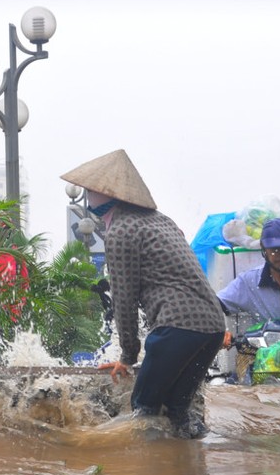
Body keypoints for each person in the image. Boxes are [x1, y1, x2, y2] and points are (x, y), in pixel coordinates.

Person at [60, 149, 227, 439]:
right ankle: (187, 474)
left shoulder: (122, 231)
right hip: (212, 327)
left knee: (143, 410)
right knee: (177, 411)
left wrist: (127, 356)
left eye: (92, 192)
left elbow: (124, 299)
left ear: (108, 195)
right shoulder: (161, 220)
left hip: (178, 327)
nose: (88, 198)